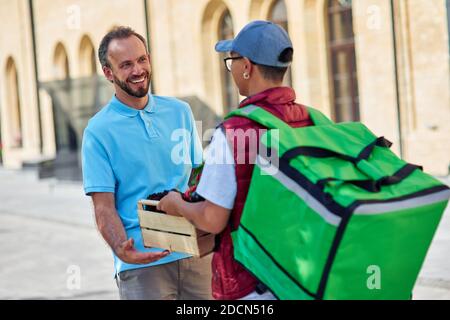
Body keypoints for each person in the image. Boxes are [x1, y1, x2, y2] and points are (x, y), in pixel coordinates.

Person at [158, 20, 314, 300]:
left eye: (231, 61)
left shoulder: (233, 132)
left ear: (247, 66)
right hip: (301, 276)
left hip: (249, 285)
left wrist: (177, 204)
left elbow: (212, 218)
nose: (231, 70)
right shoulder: (309, 120)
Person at [81, 26, 212, 300]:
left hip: (196, 253)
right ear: (108, 73)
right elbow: (103, 206)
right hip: (142, 265)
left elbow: (198, 179)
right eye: (126, 64)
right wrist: (121, 248)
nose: (138, 70)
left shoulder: (180, 112)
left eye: (142, 59)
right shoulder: (98, 131)